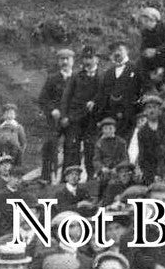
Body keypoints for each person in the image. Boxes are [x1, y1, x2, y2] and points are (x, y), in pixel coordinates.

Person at [62, 46, 104, 176]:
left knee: (90, 148)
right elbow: (66, 96)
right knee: (72, 148)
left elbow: (104, 95)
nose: (87, 61)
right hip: (75, 118)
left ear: (96, 59)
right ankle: (71, 177)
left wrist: (95, 102)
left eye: (90, 58)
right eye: (85, 58)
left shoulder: (103, 76)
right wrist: (64, 116)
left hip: (92, 119)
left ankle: (91, 177)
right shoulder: (76, 76)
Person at [38, 48, 76, 183]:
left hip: (71, 120)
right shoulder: (52, 79)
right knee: (49, 145)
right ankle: (46, 177)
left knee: (70, 148)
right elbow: (42, 99)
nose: (65, 62)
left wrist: (70, 116)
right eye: (62, 59)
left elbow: (80, 100)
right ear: (58, 62)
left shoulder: (77, 78)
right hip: (55, 121)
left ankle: (66, 180)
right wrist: (52, 110)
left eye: (67, 59)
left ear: (73, 61)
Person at [98, 41, 142, 139]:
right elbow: (104, 95)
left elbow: (140, 90)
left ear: (127, 51)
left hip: (129, 115)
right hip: (111, 116)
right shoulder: (108, 73)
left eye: (120, 50)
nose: (117, 53)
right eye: (114, 51)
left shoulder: (135, 69)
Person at [135, 7, 165, 90]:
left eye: (145, 20)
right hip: (156, 59)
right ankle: (149, 88)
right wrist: (145, 52)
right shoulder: (145, 32)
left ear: (152, 19)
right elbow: (143, 47)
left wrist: (156, 50)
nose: (143, 23)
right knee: (140, 61)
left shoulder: (164, 27)